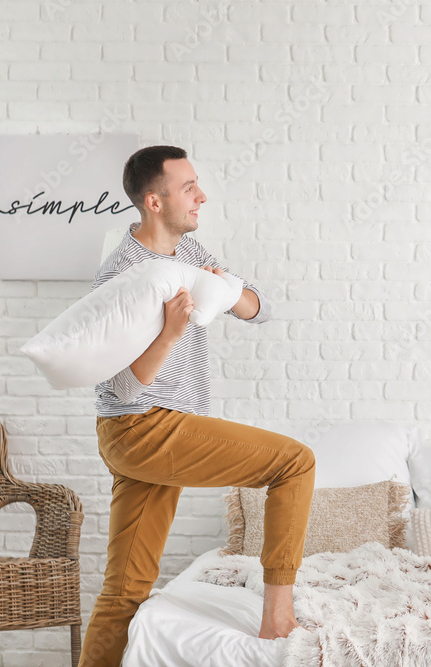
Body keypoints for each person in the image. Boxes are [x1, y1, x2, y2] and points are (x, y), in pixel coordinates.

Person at [79, 145, 315, 666]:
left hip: (150, 431)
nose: (201, 196)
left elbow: (261, 309)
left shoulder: (186, 254)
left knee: (126, 589)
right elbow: (120, 387)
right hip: (142, 427)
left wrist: (225, 287)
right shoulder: (125, 273)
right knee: (295, 462)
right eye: (189, 188)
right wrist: (171, 332)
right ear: (154, 201)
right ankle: (278, 617)